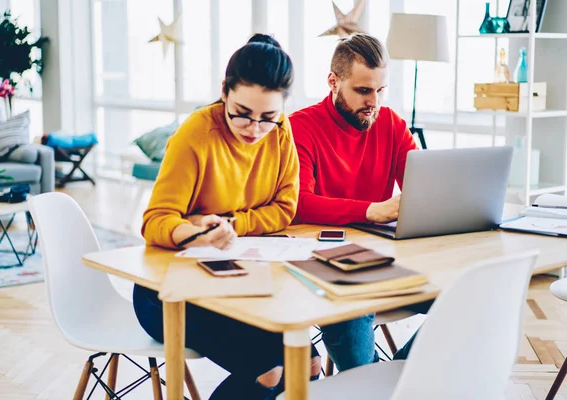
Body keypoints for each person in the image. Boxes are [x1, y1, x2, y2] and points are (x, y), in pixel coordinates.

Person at [132, 34, 321, 400]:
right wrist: (194, 232)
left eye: (268, 117)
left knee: (309, 364)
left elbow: (286, 207)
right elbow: (155, 221)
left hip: (244, 286)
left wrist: (231, 225)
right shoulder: (196, 134)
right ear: (224, 91)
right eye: (242, 114)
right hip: (169, 293)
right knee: (270, 369)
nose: (254, 130)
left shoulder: (281, 133)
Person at [289, 33, 419, 367]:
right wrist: (371, 211)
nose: (373, 101)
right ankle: (379, 382)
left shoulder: (391, 124)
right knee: (348, 319)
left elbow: (421, 189)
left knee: (473, 294)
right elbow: (300, 203)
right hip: (329, 264)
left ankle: (397, 379)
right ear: (334, 81)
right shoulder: (300, 127)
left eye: (380, 90)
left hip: (387, 259)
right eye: (363, 91)